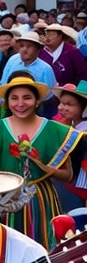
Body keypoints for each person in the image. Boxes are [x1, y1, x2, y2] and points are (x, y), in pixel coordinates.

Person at [0, 73, 81, 248]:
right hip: (5, 201)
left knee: (44, 247)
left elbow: (68, 175)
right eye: (14, 98)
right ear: (7, 102)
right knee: (5, 249)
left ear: (38, 101)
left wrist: (42, 166)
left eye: (27, 98)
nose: (20, 104)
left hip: (42, 200)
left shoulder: (55, 130)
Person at [0, 31, 58, 113]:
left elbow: (49, 96)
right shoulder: (12, 60)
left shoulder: (45, 69)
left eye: (29, 46)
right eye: (22, 46)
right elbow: (4, 82)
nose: (24, 49)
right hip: (9, 106)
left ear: (38, 50)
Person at [51, 82, 87, 211]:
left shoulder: (83, 134)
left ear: (84, 109)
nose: (62, 107)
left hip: (77, 188)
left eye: (69, 104)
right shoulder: (69, 127)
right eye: (61, 103)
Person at [41, 23, 87, 89]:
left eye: (51, 34)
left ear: (60, 36)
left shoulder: (72, 51)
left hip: (69, 92)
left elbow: (83, 73)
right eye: (47, 34)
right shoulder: (41, 52)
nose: (48, 37)